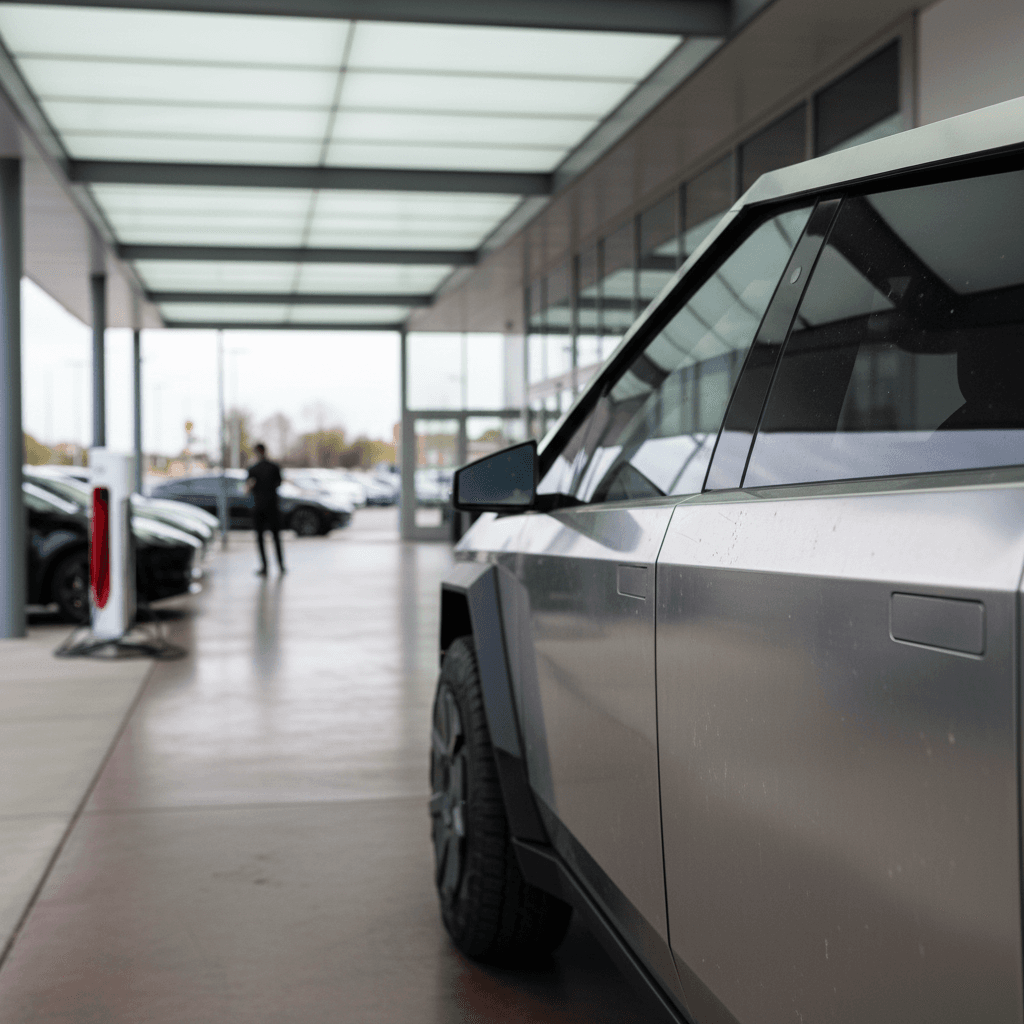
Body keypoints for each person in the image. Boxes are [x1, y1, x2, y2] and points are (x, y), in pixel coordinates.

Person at [246, 443, 285, 575]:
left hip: (259, 508)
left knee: (260, 539)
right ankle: (281, 565)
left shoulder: (253, 469)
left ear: (256, 452)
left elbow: (248, 487)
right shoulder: (274, 467)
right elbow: (279, 483)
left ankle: (264, 567)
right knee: (276, 538)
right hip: (272, 506)